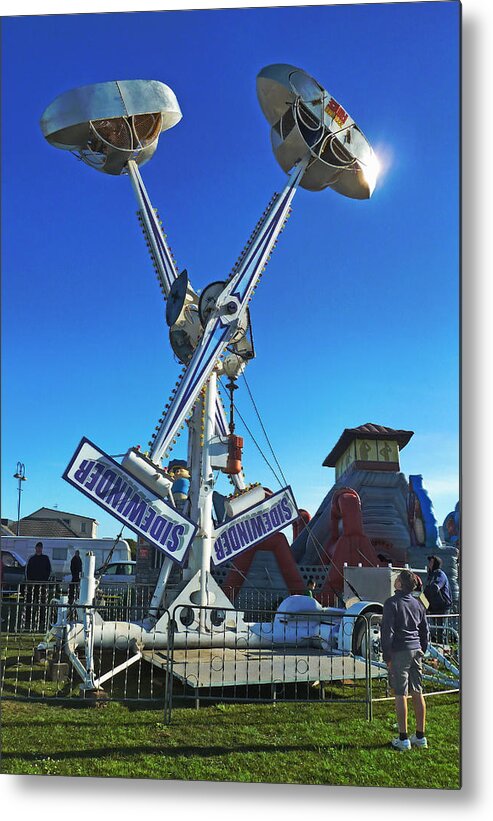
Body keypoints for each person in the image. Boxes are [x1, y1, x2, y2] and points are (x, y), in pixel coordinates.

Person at [381, 569, 430, 751]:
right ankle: (420, 736)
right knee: (417, 691)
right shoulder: (418, 604)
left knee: (401, 693)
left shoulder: (391, 603)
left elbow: (388, 632)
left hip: (400, 651)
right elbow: (425, 630)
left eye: (397, 578)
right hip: (416, 650)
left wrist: (387, 655)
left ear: (400, 584)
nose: (395, 580)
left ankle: (403, 738)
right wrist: (422, 649)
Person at [24, 542, 52, 631]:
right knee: (30, 602)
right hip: (32, 584)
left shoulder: (45, 558)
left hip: (42, 584)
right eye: (37, 547)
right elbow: (28, 571)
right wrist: (29, 581)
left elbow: (48, 570)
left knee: (42, 603)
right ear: (35, 548)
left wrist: (45, 580)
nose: (39, 549)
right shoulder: (32, 559)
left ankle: (41, 620)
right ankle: (28, 619)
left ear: (42, 548)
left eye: (40, 547)